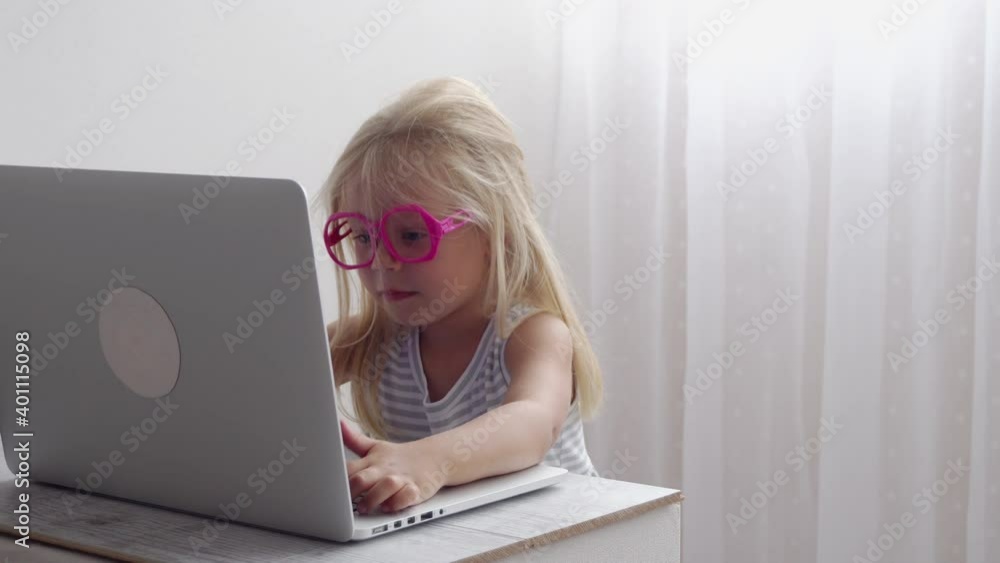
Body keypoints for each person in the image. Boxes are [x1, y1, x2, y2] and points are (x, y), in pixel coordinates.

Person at [313, 77, 603, 516]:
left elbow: (533, 423)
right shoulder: (371, 338)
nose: (382, 261)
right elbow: (270, 385)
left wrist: (429, 461)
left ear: (493, 231)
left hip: (570, 537)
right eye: (362, 236)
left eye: (411, 234)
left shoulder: (533, 335)